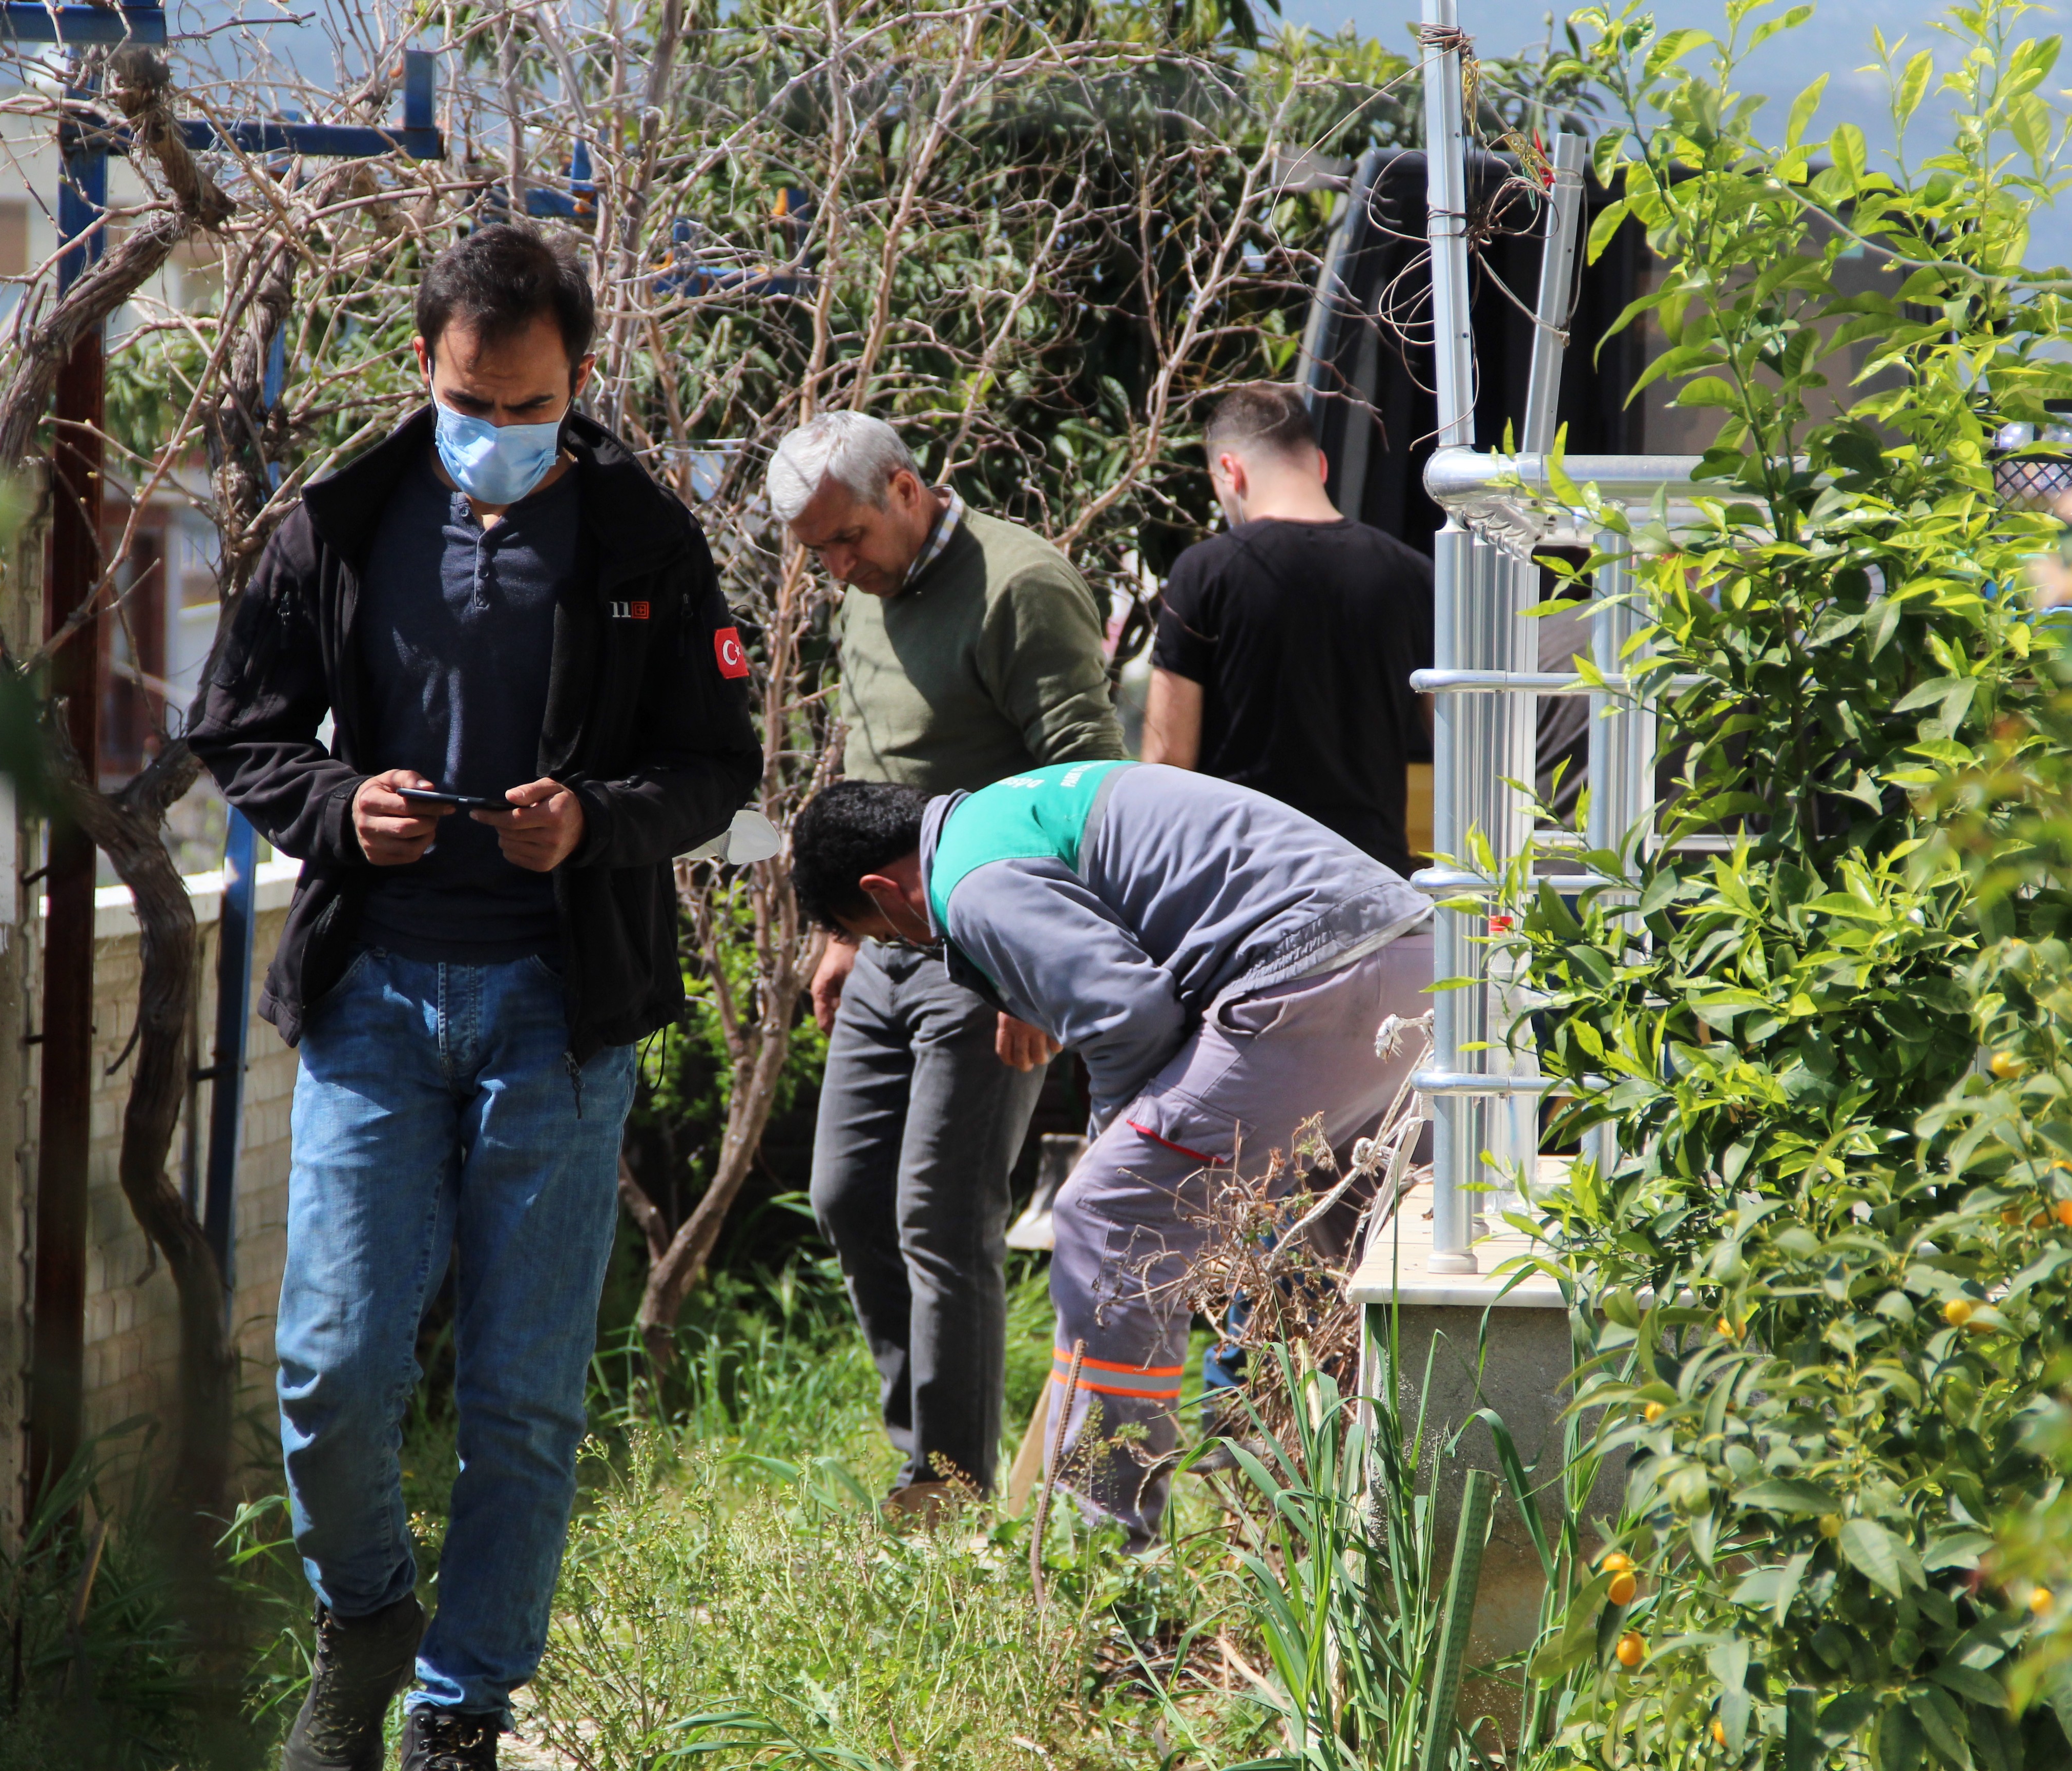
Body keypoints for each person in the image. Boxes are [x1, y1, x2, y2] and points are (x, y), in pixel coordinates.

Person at [188, 223, 761, 1771]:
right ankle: (365, 1611)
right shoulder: (343, 520)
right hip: (374, 991)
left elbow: (721, 769)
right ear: (425, 373)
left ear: (580, 379)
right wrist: (332, 806)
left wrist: (593, 821)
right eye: (467, 400)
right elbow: (238, 731)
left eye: (526, 406)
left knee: (519, 1401)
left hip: (557, 1010)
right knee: (329, 1364)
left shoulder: (649, 542)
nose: (494, 435)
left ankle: (461, 1711)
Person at [786, 761, 1432, 1540]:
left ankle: (1103, 1559)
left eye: (883, 939)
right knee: (1369, 1259)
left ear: (884, 894)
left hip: (1309, 980)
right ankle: (1403, 1521)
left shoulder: (969, 880)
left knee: (1106, 1217)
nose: (906, 947)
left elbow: (1128, 1015)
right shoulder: (1007, 812)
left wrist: (1112, 1148)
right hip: (1417, 966)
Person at [769, 410, 1125, 1520]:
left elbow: (1091, 795)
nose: (838, 568)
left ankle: (954, 1488)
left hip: (993, 946)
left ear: (909, 490)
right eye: (819, 552)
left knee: (941, 1211)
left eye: (849, 539)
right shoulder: (866, 598)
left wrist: (1038, 977)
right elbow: (873, 768)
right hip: (886, 939)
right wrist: (839, 934)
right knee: (847, 1195)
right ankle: (920, 1450)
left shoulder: (1021, 586)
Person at [1142, 382, 1434, 877]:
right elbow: (1452, 742)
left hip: (1245, 886)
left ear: (1231, 472)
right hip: (1374, 883)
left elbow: (1168, 762)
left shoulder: (1204, 572)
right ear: (1320, 465)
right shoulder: (1416, 575)